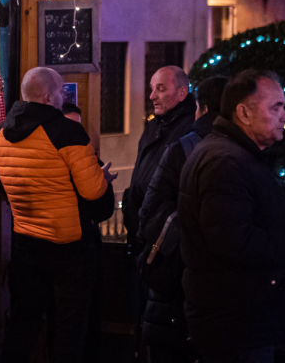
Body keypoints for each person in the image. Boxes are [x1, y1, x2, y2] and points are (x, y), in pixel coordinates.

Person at [178, 70, 285, 363]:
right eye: (276, 108)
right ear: (244, 113)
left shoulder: (234, 156)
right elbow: (234, 242)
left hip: (239, 320)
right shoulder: (226, 162)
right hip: (237, 325)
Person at [0, 67, 115, 363]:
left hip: (26, 242)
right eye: (61, 91)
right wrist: (103, 180)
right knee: (68, 329)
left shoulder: (2, 134)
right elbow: (92, 194)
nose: (64, 97)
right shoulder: (67, 132)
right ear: (49, 96)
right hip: (69, 247)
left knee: (23, 323)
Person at [136, 75, 228, 363]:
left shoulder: (188, 140)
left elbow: (151, 207)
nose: (152, 96)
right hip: (179, 268)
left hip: (180, 271)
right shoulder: (158, 128)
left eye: (160, 88)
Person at [61, 101, 117, 363]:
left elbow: (104, 211)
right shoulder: (51, 164)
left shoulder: (92, 160)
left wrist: (102, 186)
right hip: (64, 247)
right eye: (69, 125)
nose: (75, 132)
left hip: (88, 244)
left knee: (90, 311)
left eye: (78, 126)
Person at [123, 66, 196, 258]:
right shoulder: (154, 125)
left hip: (164, 239)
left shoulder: (190, 130)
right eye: (152, 88)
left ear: (182, 93)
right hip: (142, 230)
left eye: (161, 89)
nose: (152, 96)